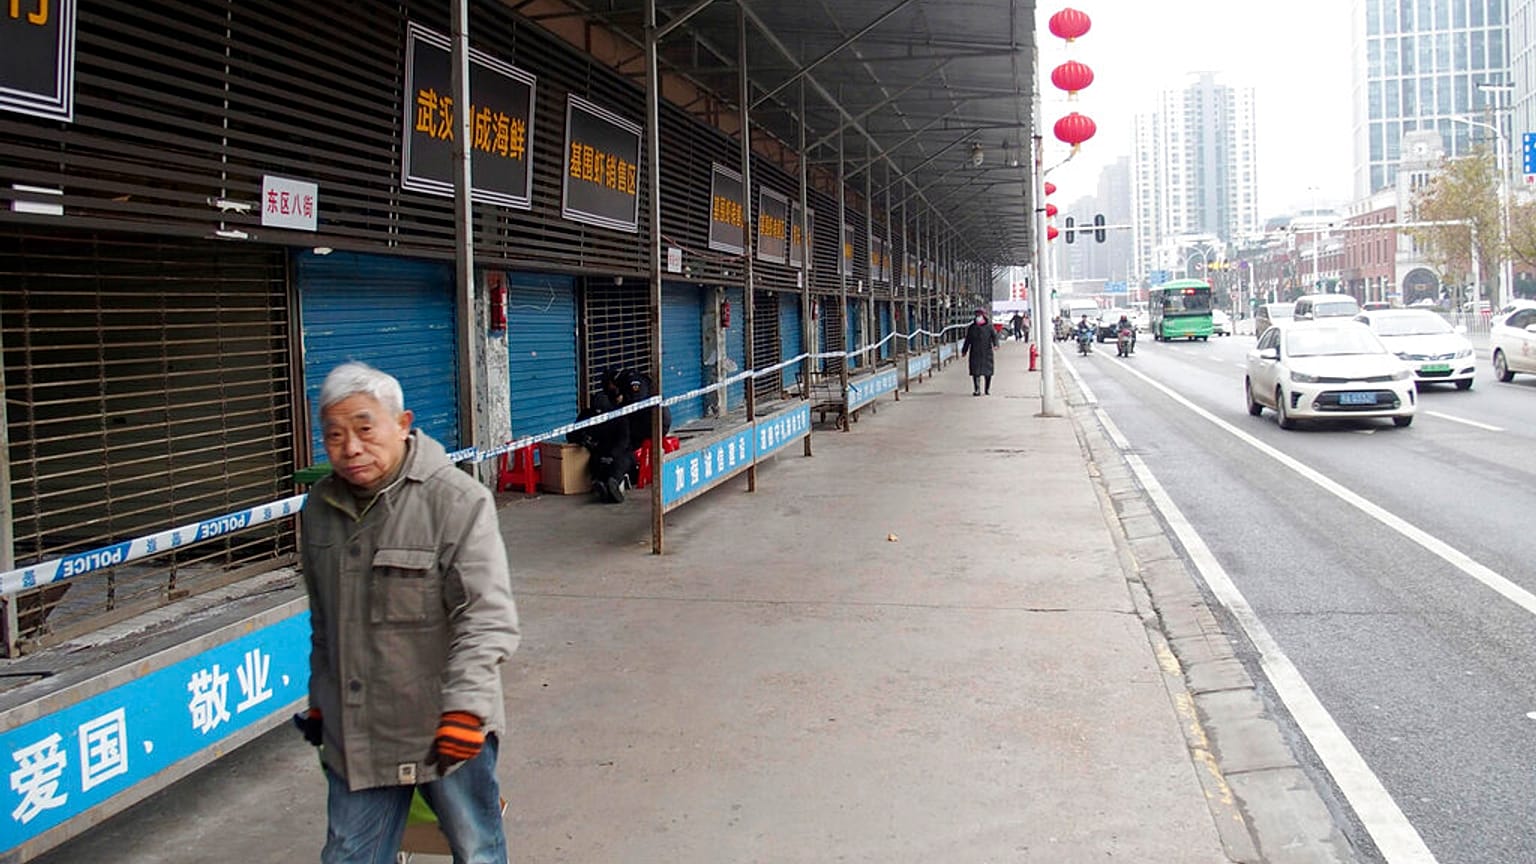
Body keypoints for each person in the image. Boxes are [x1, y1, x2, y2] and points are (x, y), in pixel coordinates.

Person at [297, 361, 519, 864]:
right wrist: (321, 699)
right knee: (349, 856)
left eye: (364, 429)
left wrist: (464, 710)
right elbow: (324, 624)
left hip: (443, 724)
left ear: (402, 424)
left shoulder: (457, 501)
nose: (351, 448)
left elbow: (487, 618)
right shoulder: (320, 509)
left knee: (477, 850)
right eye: (334, 435)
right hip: (359, 730)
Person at [571, 389, 632, 504]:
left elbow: (624, 441)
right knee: (596, 463)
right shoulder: (586, 416)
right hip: (597, 451)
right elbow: (572, 434)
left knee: (619, 464)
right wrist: (582, 438)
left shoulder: (619, 417)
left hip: (618, 452)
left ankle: (614, 486)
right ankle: (600, 485)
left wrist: (612, 454)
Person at [961, 308, 999, 396]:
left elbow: (994, 336)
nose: (978, 316)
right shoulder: (972, 327)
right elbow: (968, 340)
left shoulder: (989, 326)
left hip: (987, 352)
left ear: (983, 315)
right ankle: (977, 390)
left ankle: (987, 389)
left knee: (988, 372)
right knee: (975, 372)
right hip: (975, 352)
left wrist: (996, 345)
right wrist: (964, 350)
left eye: (980, 315)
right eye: (977, 315)